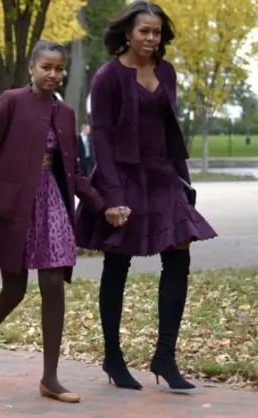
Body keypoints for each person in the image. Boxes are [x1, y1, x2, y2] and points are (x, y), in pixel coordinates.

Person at [75, 0, 217, 392]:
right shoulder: (107, 77)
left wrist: (185, 184)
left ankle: (165, 357)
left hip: (162, 175)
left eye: (156, 32)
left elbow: (172, 130)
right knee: (117, 265)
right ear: (127, 33)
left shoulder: (166, 72)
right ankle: (113, 357)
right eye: (144, 31)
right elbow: (100, 136)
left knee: (179, 257)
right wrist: (113, 198)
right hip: (121, 177)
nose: (151, 38)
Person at [0, 40, 105, 404]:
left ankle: (50, 378)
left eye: (59, 69)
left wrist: (103, 205)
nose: (53, 75)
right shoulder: (11, 101)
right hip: (13, 206)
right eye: (47, 68)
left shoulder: (67, 113)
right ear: (32, 68)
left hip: (52, 201)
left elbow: (72, 170)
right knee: (15, 289)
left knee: (53, 284)